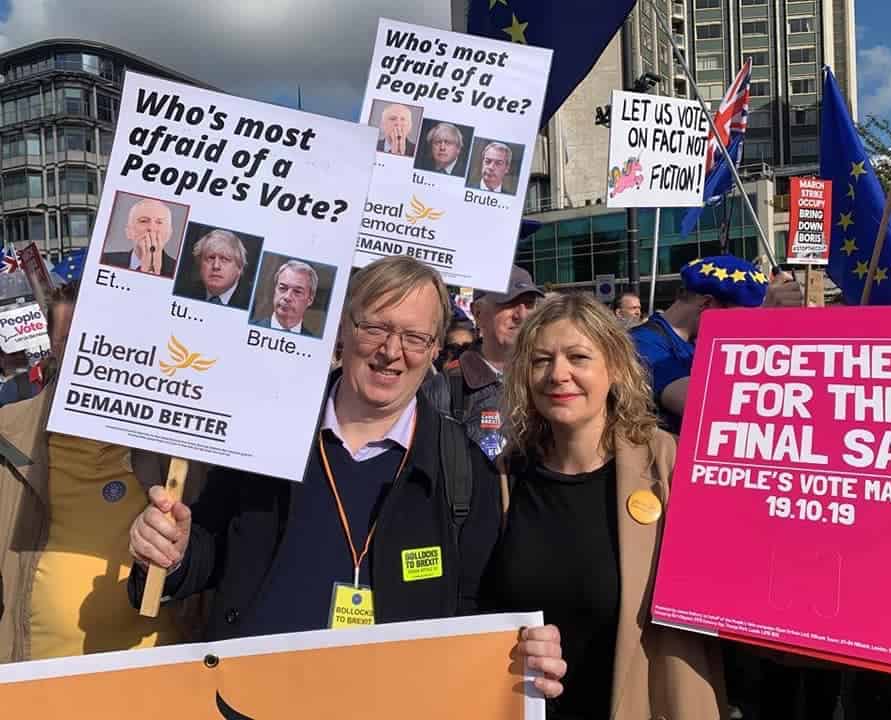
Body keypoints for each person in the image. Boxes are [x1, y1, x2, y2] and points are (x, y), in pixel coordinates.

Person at [127, 256, 566, 697]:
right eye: (375, 328)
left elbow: (483, 615)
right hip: (251, 700)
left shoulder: (465, 468)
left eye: (415, 337)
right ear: (343, 328)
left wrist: (525, 649)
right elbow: (208, 552)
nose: (392, 352)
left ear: (436, 348)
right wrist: (173, 551)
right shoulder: (264, 434)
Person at [482, 293, 725, 719]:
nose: (558, 374)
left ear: (614, 368)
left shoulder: (668, 463)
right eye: (542, 360)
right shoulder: (504, 477)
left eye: (578, 357)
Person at [0, 282, 206, 662]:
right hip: (35, 681)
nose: (88, 354)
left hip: (153, 680)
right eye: (69, 339)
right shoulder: (9, 437)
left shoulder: (176, 444)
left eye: (100, 338)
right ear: (51, 346)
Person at [630, 256, 803, 435]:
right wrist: (761, 328)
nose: (744, 327)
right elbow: (706, 405)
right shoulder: (642, 344)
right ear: (706, 304)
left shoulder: (701, 343)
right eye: (744, 319)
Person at [422, 265, 543, 461]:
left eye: (529, 304)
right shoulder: (445, 389)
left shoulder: (550, 380)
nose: (521, 315)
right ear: (477, 313)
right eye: (509, 302)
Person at [102, 198, 177, 277]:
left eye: (159, 222)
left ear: (169, 234)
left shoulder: (179, 271)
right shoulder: (104, 260)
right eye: (143, 221)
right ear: (128, 232)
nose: (151, 228)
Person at [182, 229, 252, 308]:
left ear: (239, 267)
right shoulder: (184, 293)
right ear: (200, 264)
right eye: (211, 258)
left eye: (224, 259)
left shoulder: (252, 303)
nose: (216, 266)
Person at [252, 260, 319, 336]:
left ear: (310, 300)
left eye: (297, 292)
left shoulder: (312, 343)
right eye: (282, 288)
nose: (287, 297)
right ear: (275, 290)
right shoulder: (251, 328)